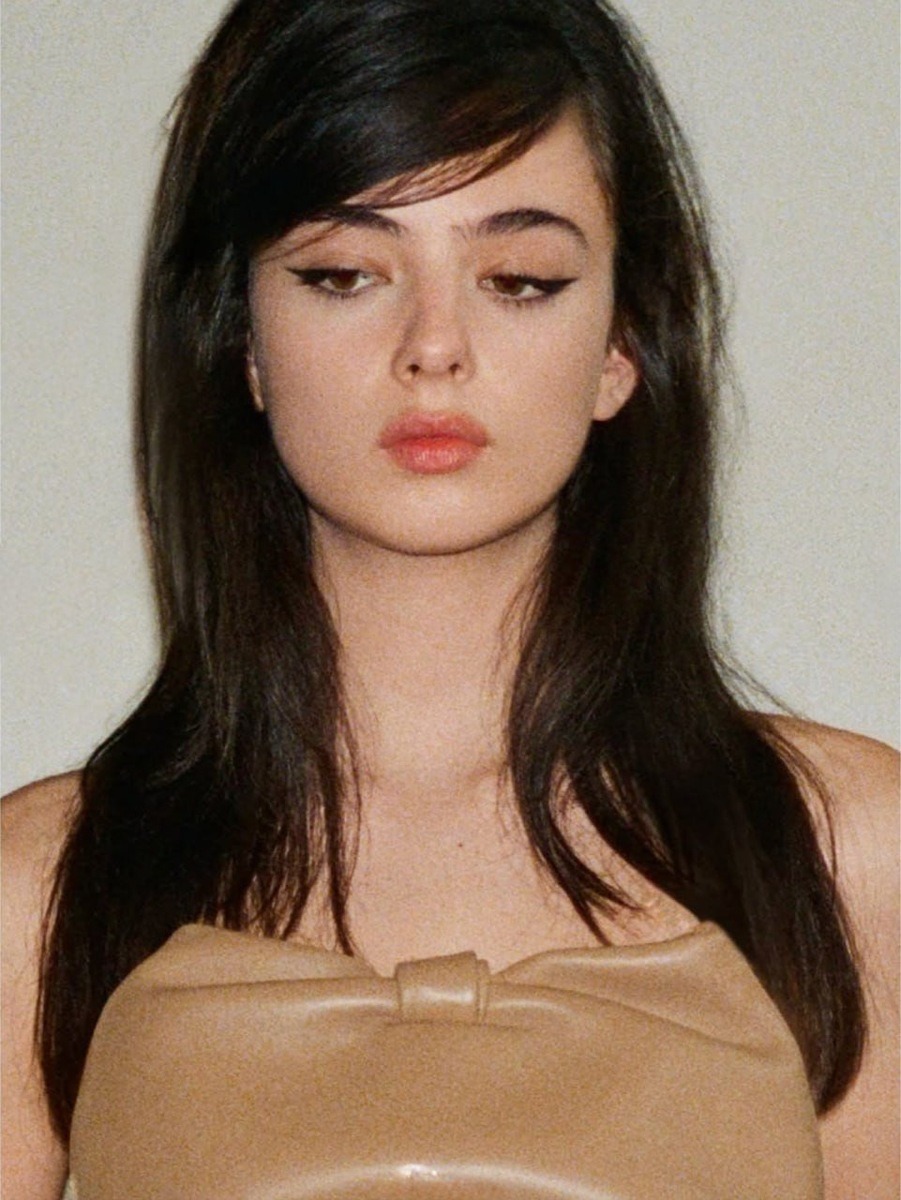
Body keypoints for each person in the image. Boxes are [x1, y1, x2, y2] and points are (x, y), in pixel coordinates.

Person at [2, 0, 897, 1196]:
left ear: (622, 343)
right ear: (244, 341)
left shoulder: (850, 859)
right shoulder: (39, 894)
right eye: (343, 274)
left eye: (519, 279)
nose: (434, 346)